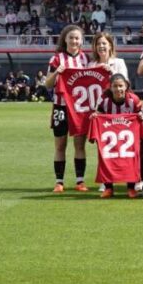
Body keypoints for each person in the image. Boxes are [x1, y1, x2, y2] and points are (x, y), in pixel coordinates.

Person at [43, 25, 89, 193]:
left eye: (77, 38)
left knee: (79, 144)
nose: (74, 41)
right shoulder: (56, 59)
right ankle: (59, 182)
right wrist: (57, 73)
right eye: (71, 38)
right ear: (65, 39)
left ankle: (80, 181)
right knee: (60, 145)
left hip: (80, 108)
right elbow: (47, 84)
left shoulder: (86, 59)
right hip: (61, 106)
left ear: (81, 40)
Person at [90, 73, 143, 198]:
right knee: (106, 158)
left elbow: (140, 114)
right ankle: (108, 188)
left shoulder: (134, 100)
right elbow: (98, 114)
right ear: (110, 87)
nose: (118, 89)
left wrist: (141, 116)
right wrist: (95, 116)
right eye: (115, 86)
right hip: (110, 137)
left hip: (128, 137)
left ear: (126, 86)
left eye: (121, 86)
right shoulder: (104, 101)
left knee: (130, 158)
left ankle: (131, 188)